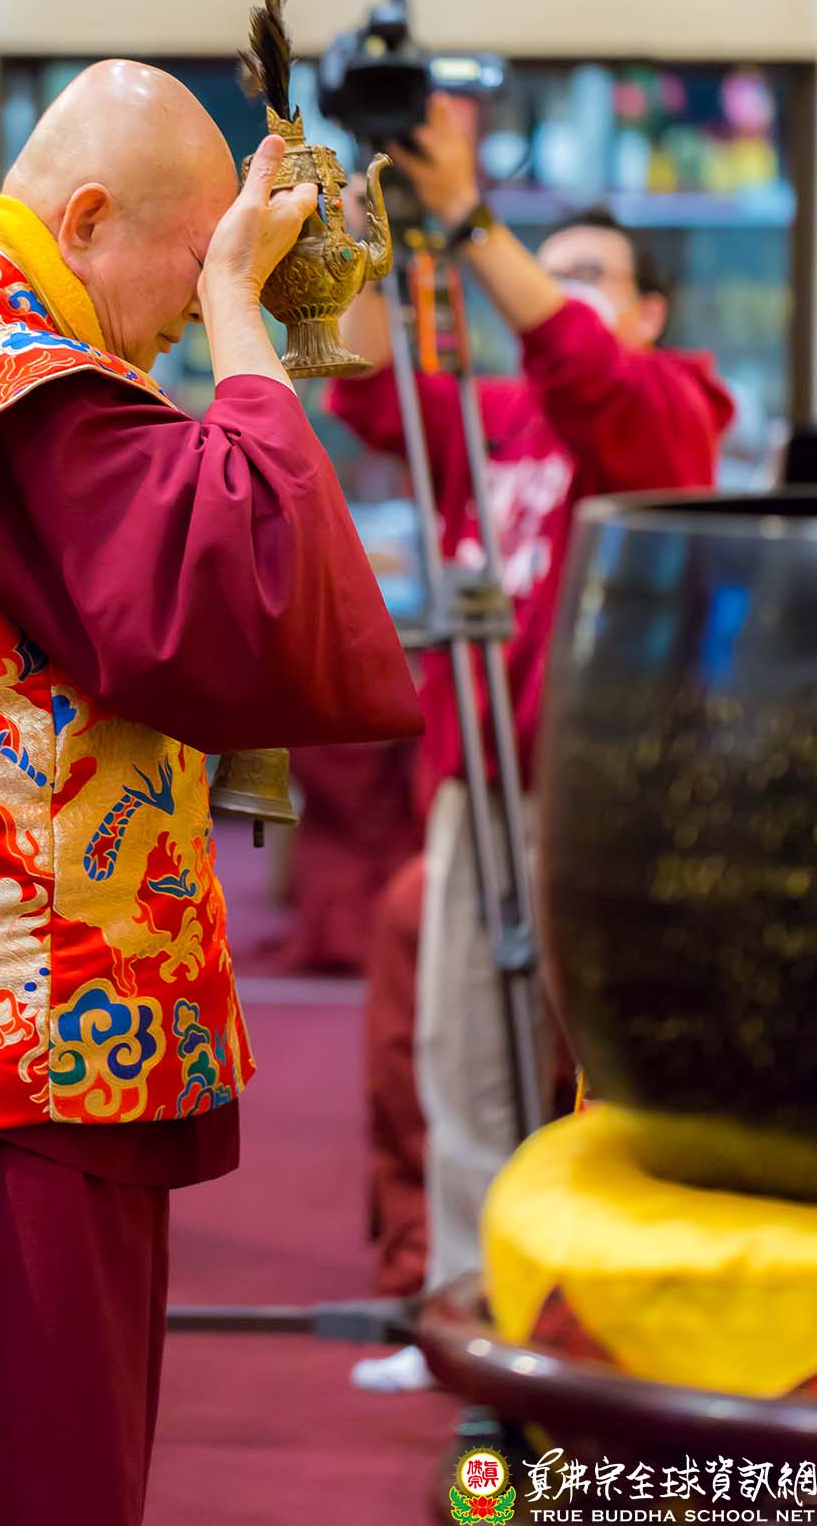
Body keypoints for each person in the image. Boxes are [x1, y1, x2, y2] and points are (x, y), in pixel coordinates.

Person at [0, 59, 424, 1526]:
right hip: (8, 1059)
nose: (187, 305)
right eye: (192, 259)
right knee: (0, 1471)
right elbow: (246, 597)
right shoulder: (25, 392)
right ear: (90, 220)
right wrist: (243, 326)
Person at [333, 96, 734, 1389]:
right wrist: (364, 233)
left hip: (606, 797)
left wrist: (470, 218)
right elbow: (364, 385)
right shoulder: (495, 413)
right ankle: (475, 1311)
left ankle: (610, 1321)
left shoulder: (673, 401)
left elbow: (587, 370)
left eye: (588, 276)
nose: (554, 293)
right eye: (546, 269)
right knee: (460, 1055)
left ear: (648, 309)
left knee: (603, 1070)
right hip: (478, 782)